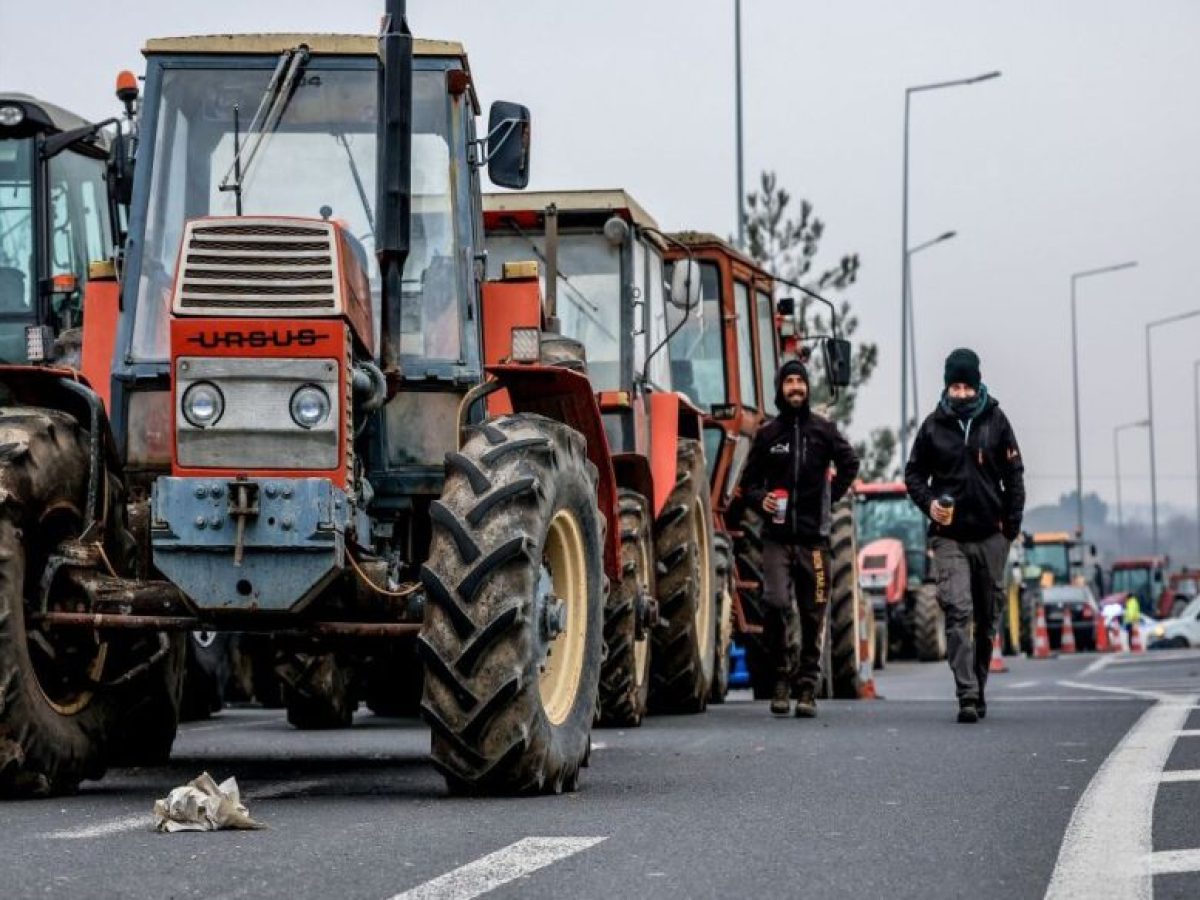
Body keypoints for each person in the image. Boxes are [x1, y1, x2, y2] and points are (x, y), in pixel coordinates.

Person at [905, 348, 1025, 724]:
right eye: (953, 386)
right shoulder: (932, 426)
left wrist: (1010, 528)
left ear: (976, 386)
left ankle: (980, 684)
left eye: (965, 386)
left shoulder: (997, 422)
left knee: (986, 618)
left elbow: (1015, 478)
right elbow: (913, 476)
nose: (959, 394)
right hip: (949, 537)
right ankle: (967, 694)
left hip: (991, 535)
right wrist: (929, 505)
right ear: (946, 387)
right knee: (958, 611)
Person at [739, 358, 860, 718]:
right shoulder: (767, 434)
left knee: (813, 614)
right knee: (775, 603)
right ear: (780, 389)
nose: (796, 387)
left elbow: (850, 463)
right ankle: (781, 678)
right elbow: (748, 485)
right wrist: (762, 500)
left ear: (807, 388)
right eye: (789, 381)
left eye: (800, 382)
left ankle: (807, 686)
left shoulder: (824, 431)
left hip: (815, 542)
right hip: (776, 539)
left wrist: (830, 497)